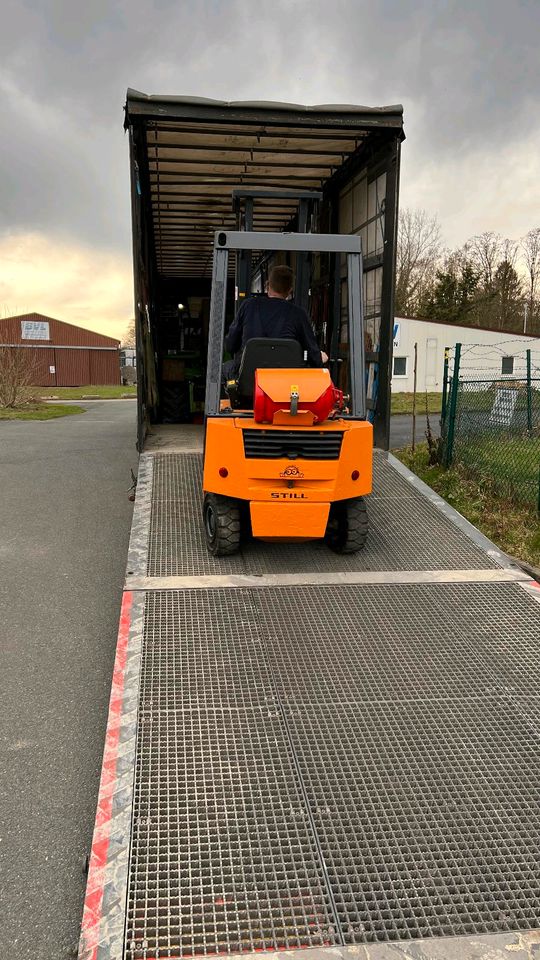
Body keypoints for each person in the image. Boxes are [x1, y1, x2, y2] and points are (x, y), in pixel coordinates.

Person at [224, 265, 328, 377]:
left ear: (267, 285)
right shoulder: (298, 314)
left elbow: (230, 345)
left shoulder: (248, 306)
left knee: (225, 368)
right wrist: (319, 357)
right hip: (285, 382)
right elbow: (313, 354)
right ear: (290, 290)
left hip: (249, 379)